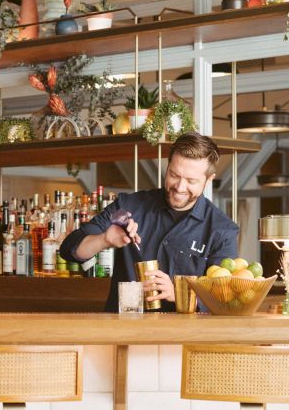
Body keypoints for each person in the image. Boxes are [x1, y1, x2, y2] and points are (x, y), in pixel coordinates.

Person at [60, 131, 239, 312]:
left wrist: (179, 293)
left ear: (208, 180)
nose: (180, 187)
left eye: (191, 181)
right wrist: (104, 239)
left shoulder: (222, 230)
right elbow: (69, 250)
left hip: (182, 336)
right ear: (168, 166)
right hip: (122, 331)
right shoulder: (127, 206)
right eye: (174, 175)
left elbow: (222, 298)